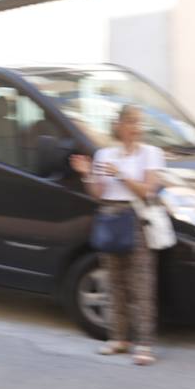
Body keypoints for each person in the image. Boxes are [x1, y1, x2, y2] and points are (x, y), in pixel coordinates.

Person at [69, 104, 165, 365]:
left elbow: (147, 191)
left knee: (141, 283)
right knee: (114, 282)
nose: (137, 127)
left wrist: (120, 174)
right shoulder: (104, 154)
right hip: (110, 217)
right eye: (132, 122)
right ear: (119, 125)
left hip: (136, 219)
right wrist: (87, 173)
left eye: (139, 122)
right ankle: (119, 337)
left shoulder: (150, 154)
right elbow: (98, 193)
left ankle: (144, 343)